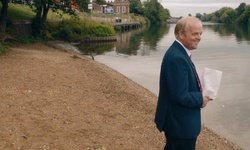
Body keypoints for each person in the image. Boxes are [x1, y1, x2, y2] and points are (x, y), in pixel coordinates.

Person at [154, 16, 212, 150]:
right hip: (180, 123)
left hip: (177, 121)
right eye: (195, 34)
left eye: (200, 33)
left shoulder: (179, 53)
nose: (199, 37)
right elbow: (180, 95)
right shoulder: (177, 58)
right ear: (181, 34)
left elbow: (178, 87)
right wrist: (200, 99)